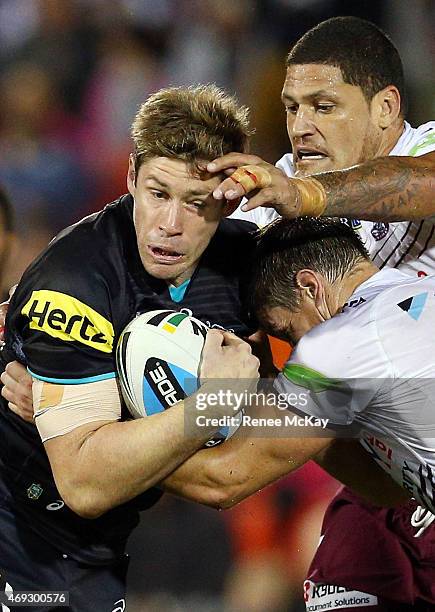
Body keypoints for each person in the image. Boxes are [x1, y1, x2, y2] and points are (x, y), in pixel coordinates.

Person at [0, 84, 262, 611]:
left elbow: (242, 468)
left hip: (99, 550)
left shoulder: (246, 261)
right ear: (130, 178)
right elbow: (87, 485)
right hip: (24, 544)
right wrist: (213, 404)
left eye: (196, 203)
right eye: (158, 193)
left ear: (230, 198)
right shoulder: (74, 283)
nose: (170, 225)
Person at [204, 16, 435, 611]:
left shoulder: (419, 153)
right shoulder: (284, 188)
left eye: (324, 106)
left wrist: (311, 196)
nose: (302, 127)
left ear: (386, 108)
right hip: (379, 472)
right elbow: (202, 275)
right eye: (291, 108)